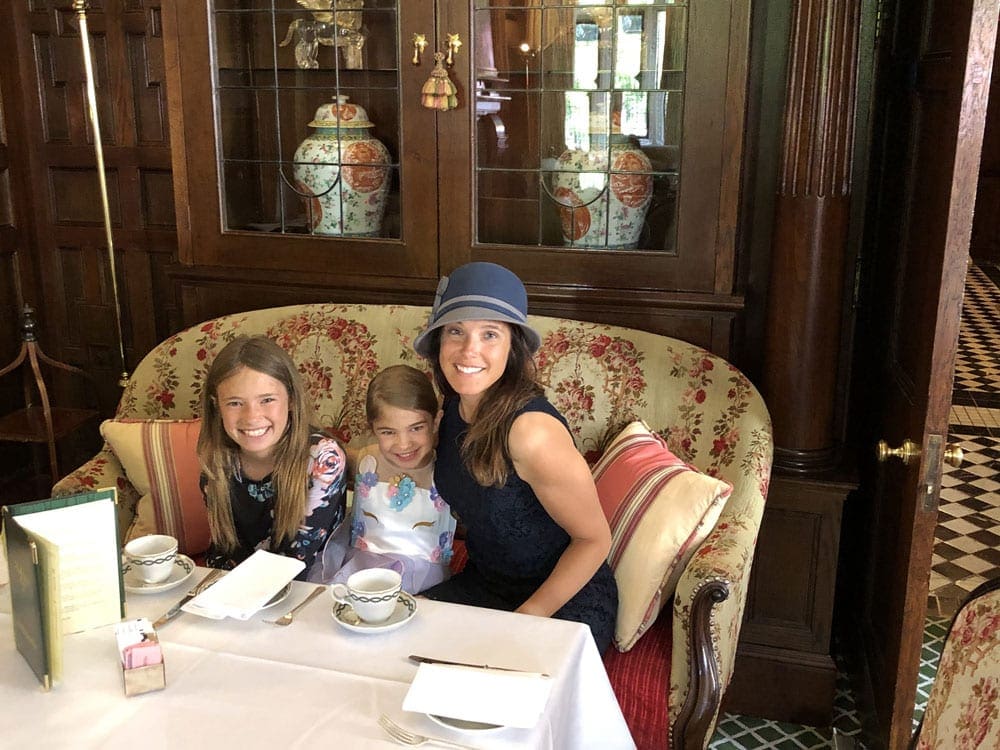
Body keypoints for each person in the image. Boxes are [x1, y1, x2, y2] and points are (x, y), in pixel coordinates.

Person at [413, 262, 618, 653]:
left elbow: (594, 539)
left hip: (560, 601)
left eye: (489, 334)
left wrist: (527, 617)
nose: (469, 350)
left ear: (512, 347)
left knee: (492, 698)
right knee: (392, 646)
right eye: (456, 331)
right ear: (439, 341)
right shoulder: (454, 408)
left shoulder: (530, 432)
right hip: (485, 584)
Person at [197, 335, 348, 581]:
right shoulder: (217, 464)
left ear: (291, 399)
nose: (252, 417)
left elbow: (293, 564)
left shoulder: (322, 459)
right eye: (235, 403)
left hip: (312, 589)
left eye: (267, 400)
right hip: (240, 593)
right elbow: (222, 552)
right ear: (216, 407)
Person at [319, 364, 456, 593]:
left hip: (423, 581)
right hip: (359, 573)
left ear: (436, 421)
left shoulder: (448, 470)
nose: (403, 444)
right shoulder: (365, 461)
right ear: (372, 428)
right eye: (388, 432)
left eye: (416, 428)